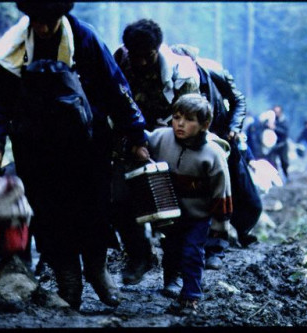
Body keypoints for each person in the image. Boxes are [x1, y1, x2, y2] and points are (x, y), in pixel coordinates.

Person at [0, 2, 150, 309]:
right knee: (49, 215)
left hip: (87, 145)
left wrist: (136, 134)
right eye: (36, 20)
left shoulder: (85, 39)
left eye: (48, 21)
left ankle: (98, 273)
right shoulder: (13, 45)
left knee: (94, 211)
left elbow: (116, 89)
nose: (42, 27)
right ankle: (68, 280)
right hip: (36, 149)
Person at [111, 19, 201, 286]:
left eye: (146, 56)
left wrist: (160, 142)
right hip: (128, 140)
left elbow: (191, 116)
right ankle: (140, 255)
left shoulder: (182, 72)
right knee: (120, 201)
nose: (139, 62)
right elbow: (110, 105)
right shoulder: (117, 62)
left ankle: (173, 273)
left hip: (172, 139)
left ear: (157, 49)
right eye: (134, 55)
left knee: (173, 209)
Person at [170, 44, 261, 270]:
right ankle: (209, 247)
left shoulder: (214, 72)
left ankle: (238, 232)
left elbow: (238, 100)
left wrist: (233, 127)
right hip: (188, 144)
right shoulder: (170, 81)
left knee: (235, 191)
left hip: (221, 139)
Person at [146, 94, 232, 314]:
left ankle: (191, 297)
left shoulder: (213, 154)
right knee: (171, 248)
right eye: (176, 117)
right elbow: (141, 138)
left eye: (189, 120)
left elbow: (221, 191)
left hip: (198, 216)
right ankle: (170, 280)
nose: (180, 124)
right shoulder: (162, 138)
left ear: (205, 125)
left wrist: (220, 225)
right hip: (169, 212)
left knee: (192, 252)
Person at [265, 105, 289, 179]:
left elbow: (285, 133)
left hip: (282, 144)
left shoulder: (284, 121)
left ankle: (286, 176)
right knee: (272, 162)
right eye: (275, 112)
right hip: (273, 145)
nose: (276, 113)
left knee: (284, 162)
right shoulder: (271, 120)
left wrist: (275, 128)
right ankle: (276, 178)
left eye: (277, 112)